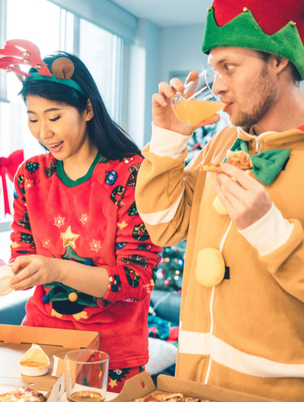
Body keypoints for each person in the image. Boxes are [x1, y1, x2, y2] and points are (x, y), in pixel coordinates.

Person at [135, 0, 304, 400]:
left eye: (229, 66)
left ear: (277, 60)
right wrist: (169, 138)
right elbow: (164, 225)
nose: (218, 85)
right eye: (214, 69)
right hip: (196, 385)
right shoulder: (223, 142)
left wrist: (272, 231)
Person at [0, 43, 162, 392]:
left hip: (111, 356)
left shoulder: (129, 175)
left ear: (87, 109)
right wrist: (8, 275)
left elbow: (136, 279)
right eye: (33, 119)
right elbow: (24, 255)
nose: (43, 133)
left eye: (54, 117)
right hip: (41, 346)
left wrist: (57, 269)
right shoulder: (29, 175)